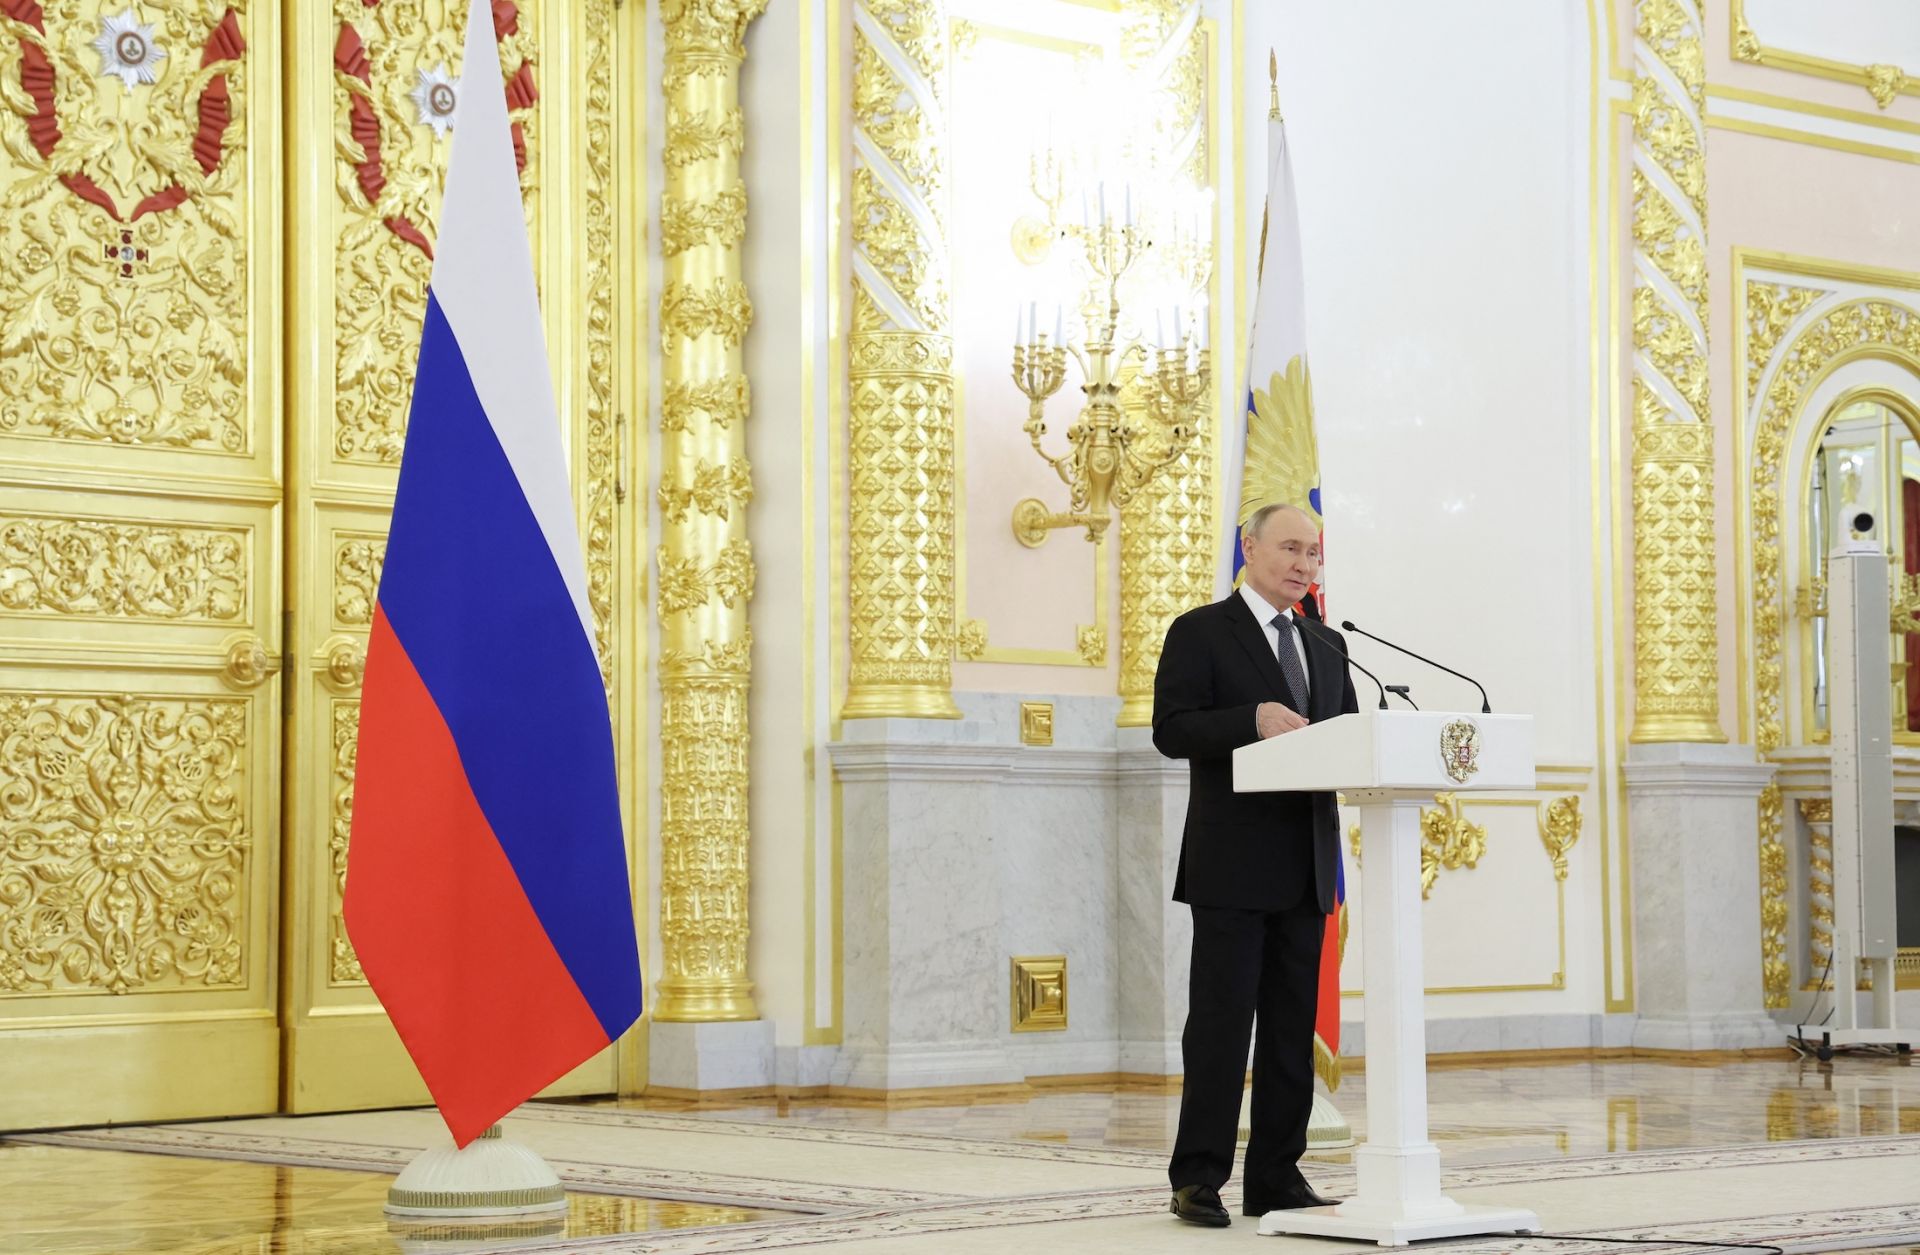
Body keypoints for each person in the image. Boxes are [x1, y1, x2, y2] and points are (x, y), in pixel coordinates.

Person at [1152, 501, 1356, 1228]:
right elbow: (1171, 730)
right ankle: (1198, 1177)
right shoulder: (1201, 631)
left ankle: (1276, 1173)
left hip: (1306, 866)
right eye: (1291, 548)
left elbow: (1349, 741)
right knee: (1220, 1025)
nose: (1305, 564)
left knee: (1289, 1031)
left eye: (1314, 553)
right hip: (1232, 866)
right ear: (1250, 546)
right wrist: (1252, 720)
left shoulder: (1328, 643)